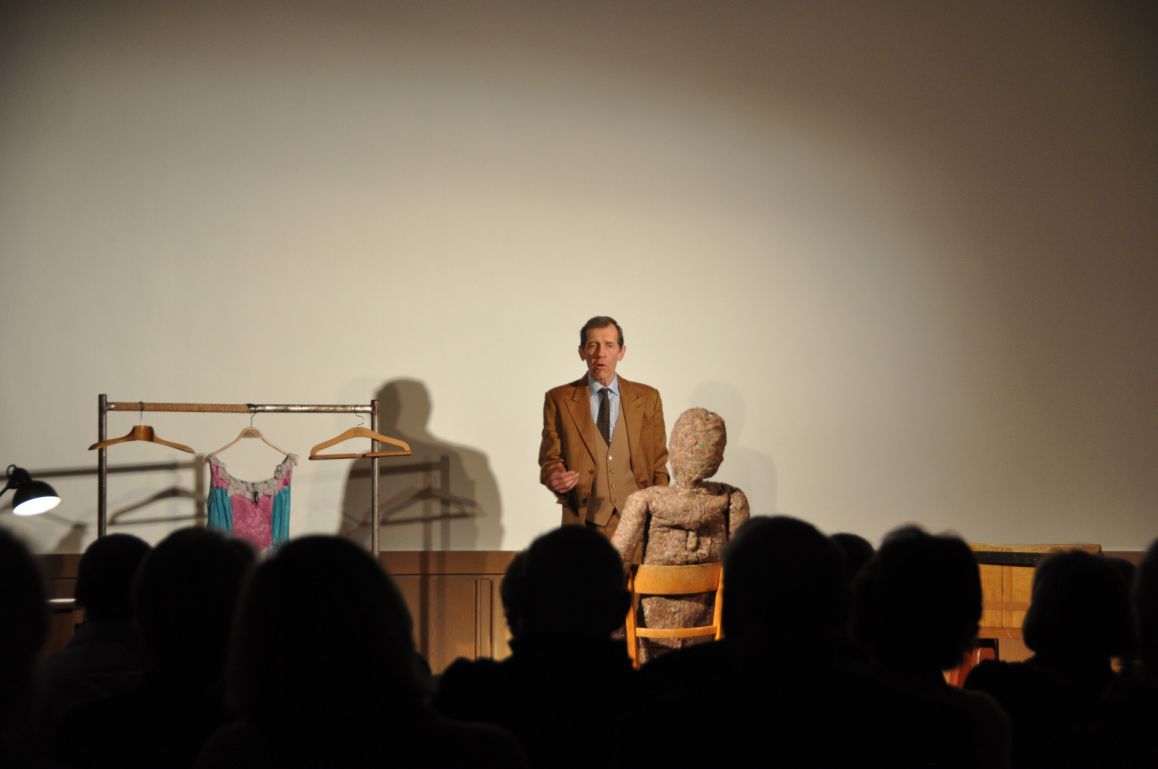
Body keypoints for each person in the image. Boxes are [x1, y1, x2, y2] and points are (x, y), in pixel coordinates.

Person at [610, 407, 749, 661]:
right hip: (709, 639)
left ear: (673, 449)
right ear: (717, 457)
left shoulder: (645, 500)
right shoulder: (732, 500)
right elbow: (743, 575)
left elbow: (611, 567)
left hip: (648, 641)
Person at [538, 315, 668, 539]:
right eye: (593, 346)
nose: (601, 354)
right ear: (582, 352)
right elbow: (550, 460)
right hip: (584, 525)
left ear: (621, 351)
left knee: (636, 577)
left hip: (638, 525)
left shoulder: (648, 398)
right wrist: (554, 476)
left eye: (609, 345)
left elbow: (659, 464)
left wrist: (658, 515)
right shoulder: (559, 399)